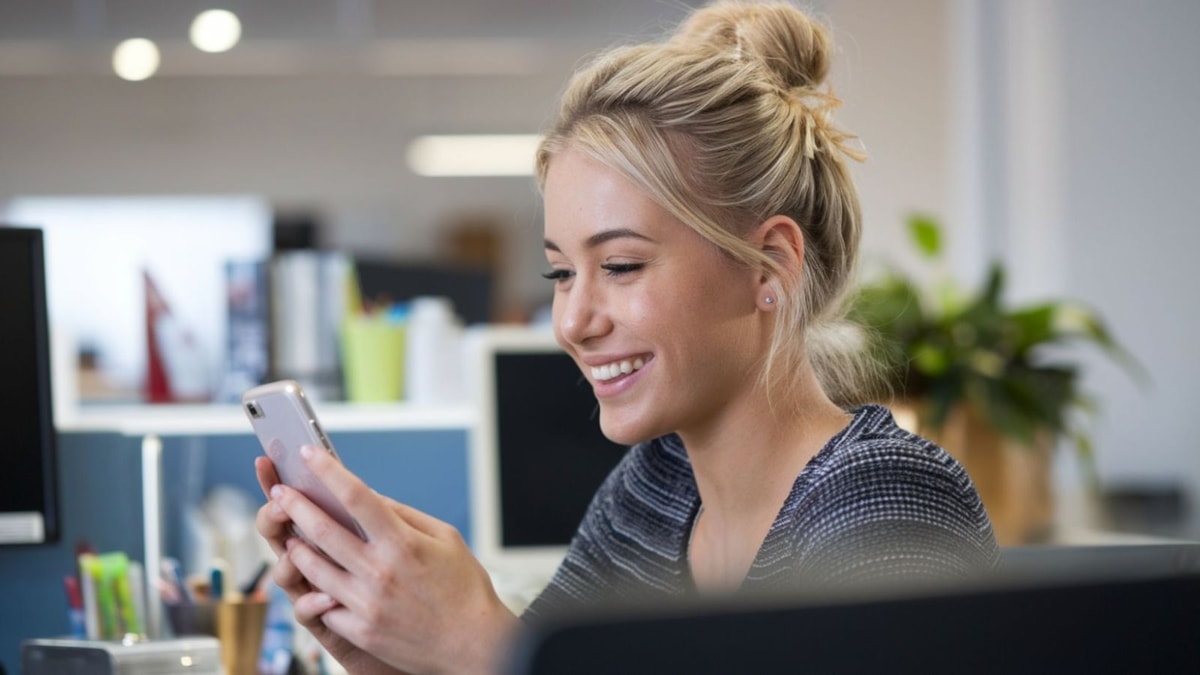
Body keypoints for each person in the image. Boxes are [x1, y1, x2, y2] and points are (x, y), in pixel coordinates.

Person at [255, 1, 999, 672]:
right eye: (561, 274)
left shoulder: (889, 508)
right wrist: (395, 653)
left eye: (619, 264)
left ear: (768, 264)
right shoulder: (654, 490)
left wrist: (477, 643)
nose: (574, 322)